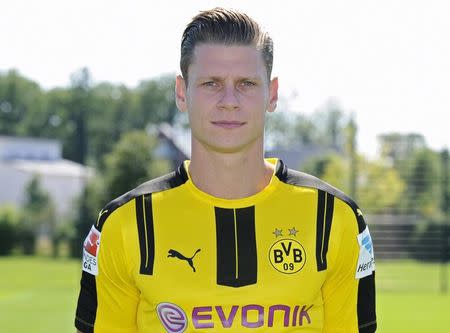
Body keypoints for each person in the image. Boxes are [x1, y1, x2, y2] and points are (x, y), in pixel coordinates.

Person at [75, 7, 376, 333]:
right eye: (211, 83)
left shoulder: (334, 218)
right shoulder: (124, 224)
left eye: (246, 83)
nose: (229, 100)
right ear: (181, 93)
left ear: (271, 94)